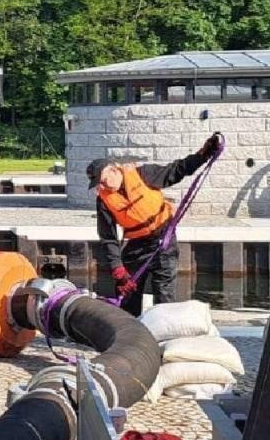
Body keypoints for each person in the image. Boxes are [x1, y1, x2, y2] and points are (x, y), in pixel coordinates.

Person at [90, 133, 223, 317]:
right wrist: (117, 268)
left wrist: (204, 154)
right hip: (137, 245)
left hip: (164, 237)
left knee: (164, 291)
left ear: (114, 170)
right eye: (99, 184)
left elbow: (177, 170)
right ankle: (129, 331)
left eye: (104, 180)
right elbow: (108, 237)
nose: (103, 186)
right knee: (126, 290)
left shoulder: (143, 174)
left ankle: (164, 333)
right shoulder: (104, 200)